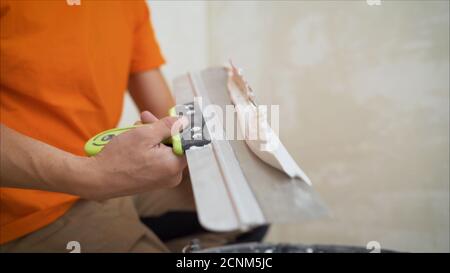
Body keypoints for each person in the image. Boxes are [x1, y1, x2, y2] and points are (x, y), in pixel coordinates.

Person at [0, 0, 267, 252]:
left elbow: (167, 115)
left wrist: (221, 128)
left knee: (252, 206)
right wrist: (92, 176)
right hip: (27, 211)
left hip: (102, 180)